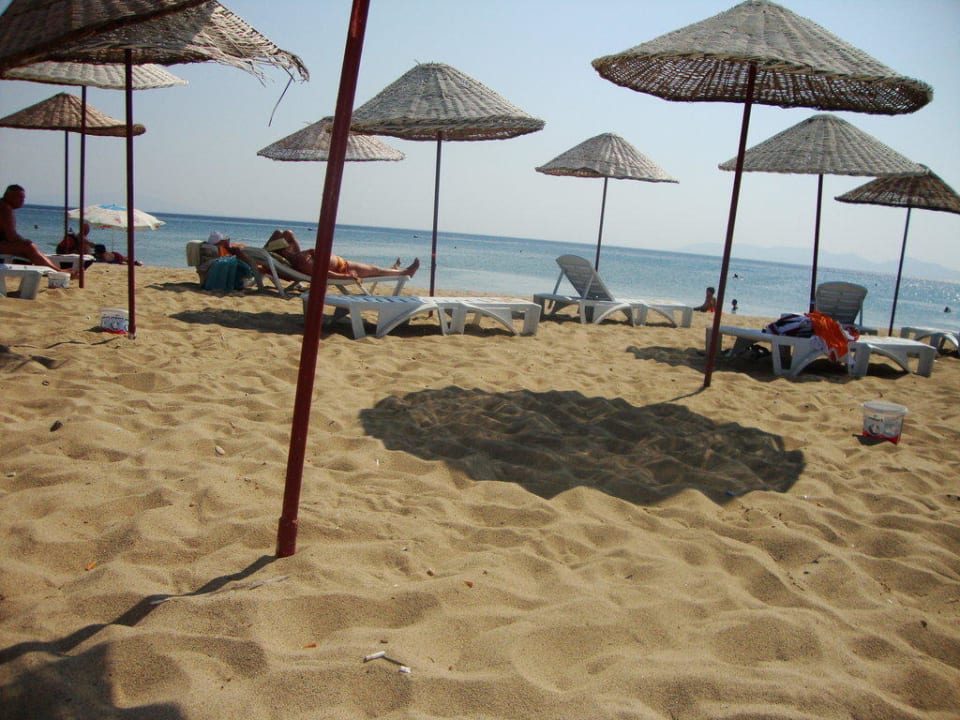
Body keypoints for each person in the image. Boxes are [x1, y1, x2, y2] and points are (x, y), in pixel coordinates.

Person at [264, 229, 419, 282]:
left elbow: (285, 234)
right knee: (375, 270)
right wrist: (345, 277)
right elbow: (323, 274)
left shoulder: (298, 257)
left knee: (375, 270)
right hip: (344, 268)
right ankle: (405, 272)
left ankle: (393, 270)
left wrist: (275, 244)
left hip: (342, 264)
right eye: (288, 245)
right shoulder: (302, 261)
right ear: (285, 251)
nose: (291, 244)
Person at [0, 184, 76, 275]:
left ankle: (53, 270)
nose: (22, 200)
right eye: (20, 197)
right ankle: (57, 271)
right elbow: (11, 236)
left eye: (23, 198)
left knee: (28, 247)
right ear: (9, 196)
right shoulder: (5, 209)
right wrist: (26, 243)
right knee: (28, 247)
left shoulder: (3, 206)